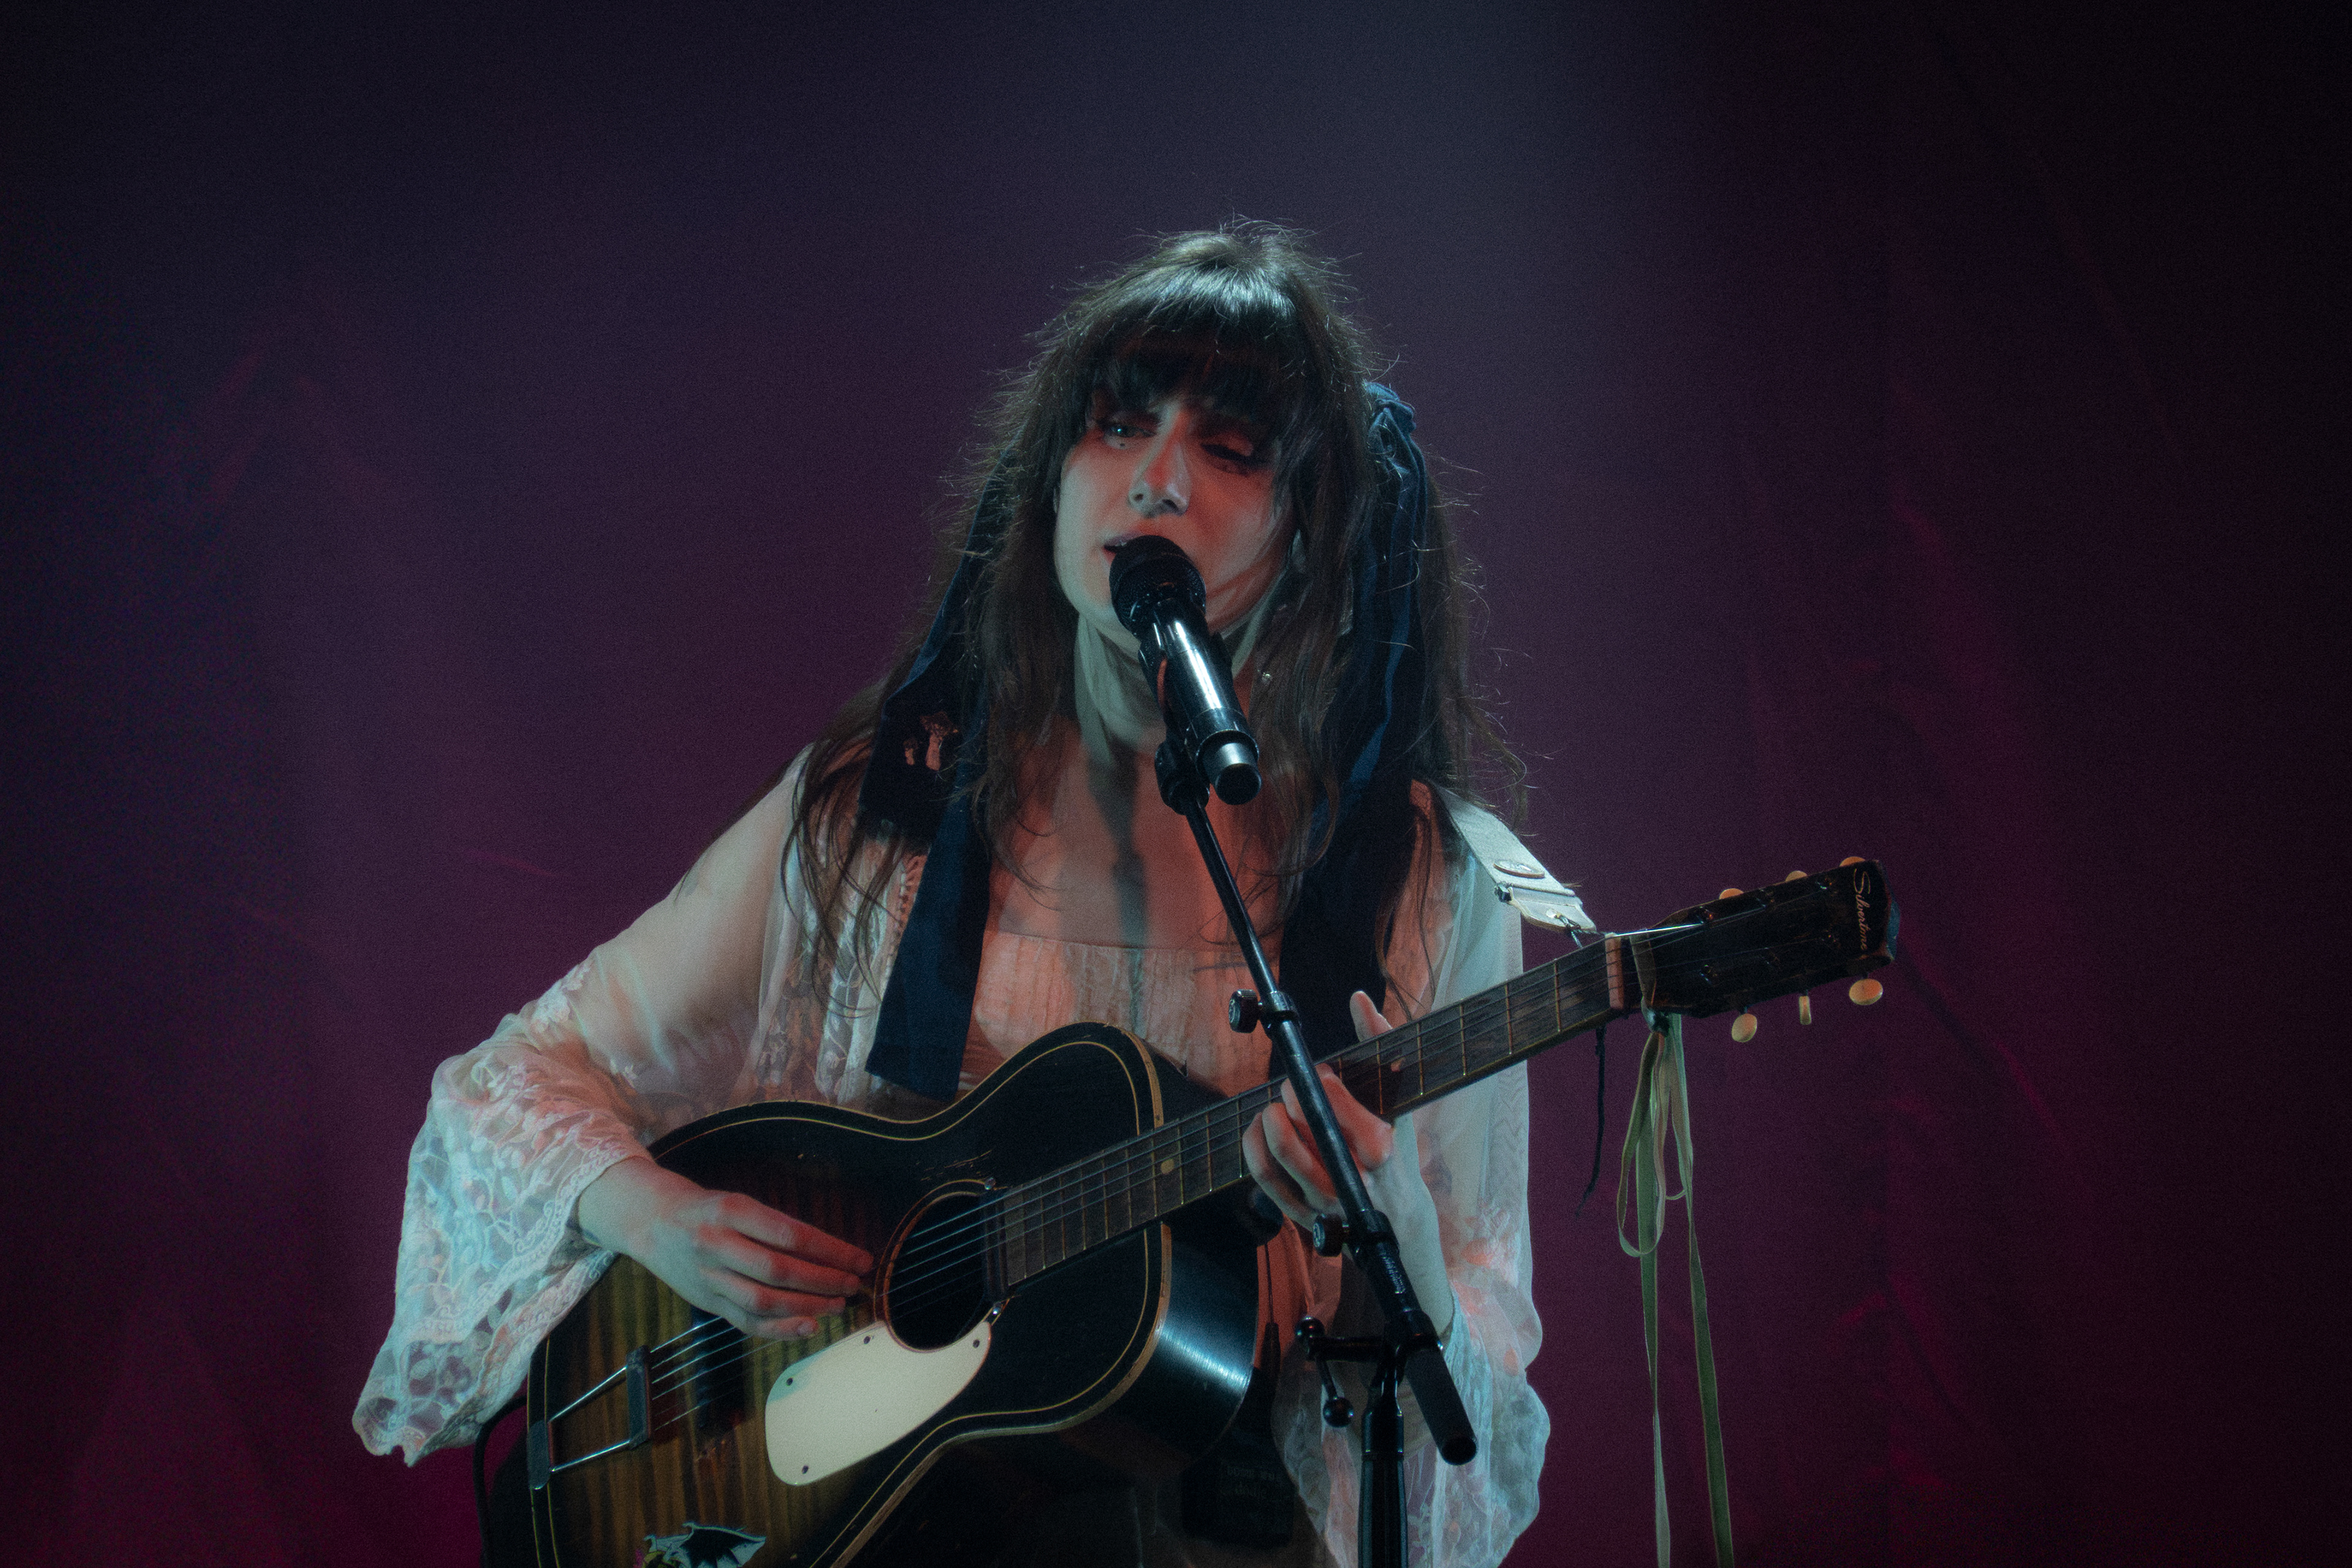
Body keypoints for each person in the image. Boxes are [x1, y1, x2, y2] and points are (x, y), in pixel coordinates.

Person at [355, 223, 1553, 1567]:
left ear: (1312, 535)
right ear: (1045, 487)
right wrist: (660, 1217)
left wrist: (1383, 1235)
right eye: (1116, 427)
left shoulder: (1416, 878)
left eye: (1230, 450)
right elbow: (517, 1079)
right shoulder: (887, 814)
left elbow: (1473, 1376)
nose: (1156, 480)